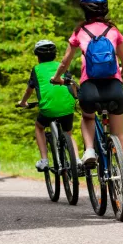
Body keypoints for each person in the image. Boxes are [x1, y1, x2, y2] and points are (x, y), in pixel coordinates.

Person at [50, 0, 123, 170]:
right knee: (119, 134)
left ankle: (90, 151)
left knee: (88, 117)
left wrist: (56, 77)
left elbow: (65, 62)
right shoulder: (114, 30)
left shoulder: (79, 32)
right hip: (114, 88)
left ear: (85, 10)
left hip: (90, 89)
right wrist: (122, 72)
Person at [18, 40, 80, 171]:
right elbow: (71, 84)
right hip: (68, 106)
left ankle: (44, 160)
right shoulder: (61, 66)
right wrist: (76, 97)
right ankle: (77, 160)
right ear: (54, 54)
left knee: (39, 126)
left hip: (48, 108)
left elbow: (29, 90)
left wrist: (23, 102)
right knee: (68, 133)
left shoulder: (36, 69)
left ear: (38, 57)